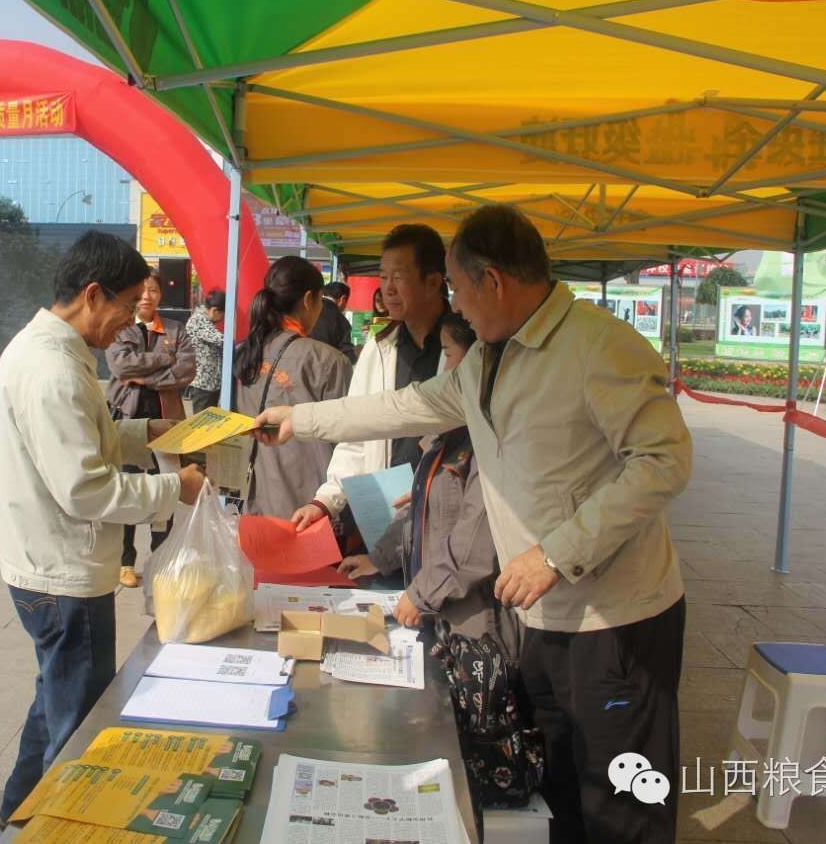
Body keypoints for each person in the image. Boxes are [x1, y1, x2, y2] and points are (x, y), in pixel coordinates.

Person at [255, 204, 692, 844]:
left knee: (623, 799)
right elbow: (407, 405)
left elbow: (663, 462)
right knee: (560, 788)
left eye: (457, 288)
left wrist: (555, 553)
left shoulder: (599, 346)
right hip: (539, 619)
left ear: (494, 281)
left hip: (614, 620)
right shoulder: (490, 356)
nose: (454, 303)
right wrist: (302, 420)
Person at [0, 231, 205, 828]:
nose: (131, 320)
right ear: (92, 295)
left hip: (46, 563)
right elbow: (85, 488)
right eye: (128, 304)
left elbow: (90, 442)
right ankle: (58, 827)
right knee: (78, 724)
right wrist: (175, 488)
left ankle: (17, 815)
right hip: (64, 573)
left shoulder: (49, 352)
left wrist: (149, 434)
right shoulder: (53, 370)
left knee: (55, 699)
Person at [336, 313, 519, 656]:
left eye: (448, 354)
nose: (443, 368)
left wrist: (423, 594)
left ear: (477, 358)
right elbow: (422, 508)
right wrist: (380, 558)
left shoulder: (488, 439)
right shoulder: (444, 434)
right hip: (440, 616)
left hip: (474, 628)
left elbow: (474, 544)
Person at [291, 224, 450, 546]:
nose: (388, 289)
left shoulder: (467, 348)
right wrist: (325, 501)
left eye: (399, 277)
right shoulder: (379, 349)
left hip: (447, 519)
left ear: (433, 282)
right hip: (387, 517)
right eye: (384, 276)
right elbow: (356, 437)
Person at [232, 257, 352, 518]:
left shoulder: (246, 352)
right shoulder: (328, 361)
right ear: (309, 299)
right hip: (308, 508)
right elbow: (347, 443)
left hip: (253, 500)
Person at [105, 271, 196, 587]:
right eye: (142, 290)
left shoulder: (175, 329)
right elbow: (120, 366)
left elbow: (187, 370)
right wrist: (163, 359)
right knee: (128, 488)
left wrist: (144, 377)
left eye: (154, 290)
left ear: (160, 295)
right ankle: (125, 561)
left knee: (167, 489)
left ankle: (161, 559)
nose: (147, 296)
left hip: (166, 423)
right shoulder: (120, 327)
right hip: (127, 420)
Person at [186, 289, 226, 413]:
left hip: (209, 383)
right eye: (223, 314)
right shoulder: (199, 320)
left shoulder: (204, 319)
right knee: (202, 422)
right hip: (203, 385)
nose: (223, 319)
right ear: (214, 310)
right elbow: (221, 340)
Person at [308, 281, 357, 363]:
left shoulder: (308, 309)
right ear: (343, 299)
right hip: (326, 367)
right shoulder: (341, 321)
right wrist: (357, 353)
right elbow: (347, 357)